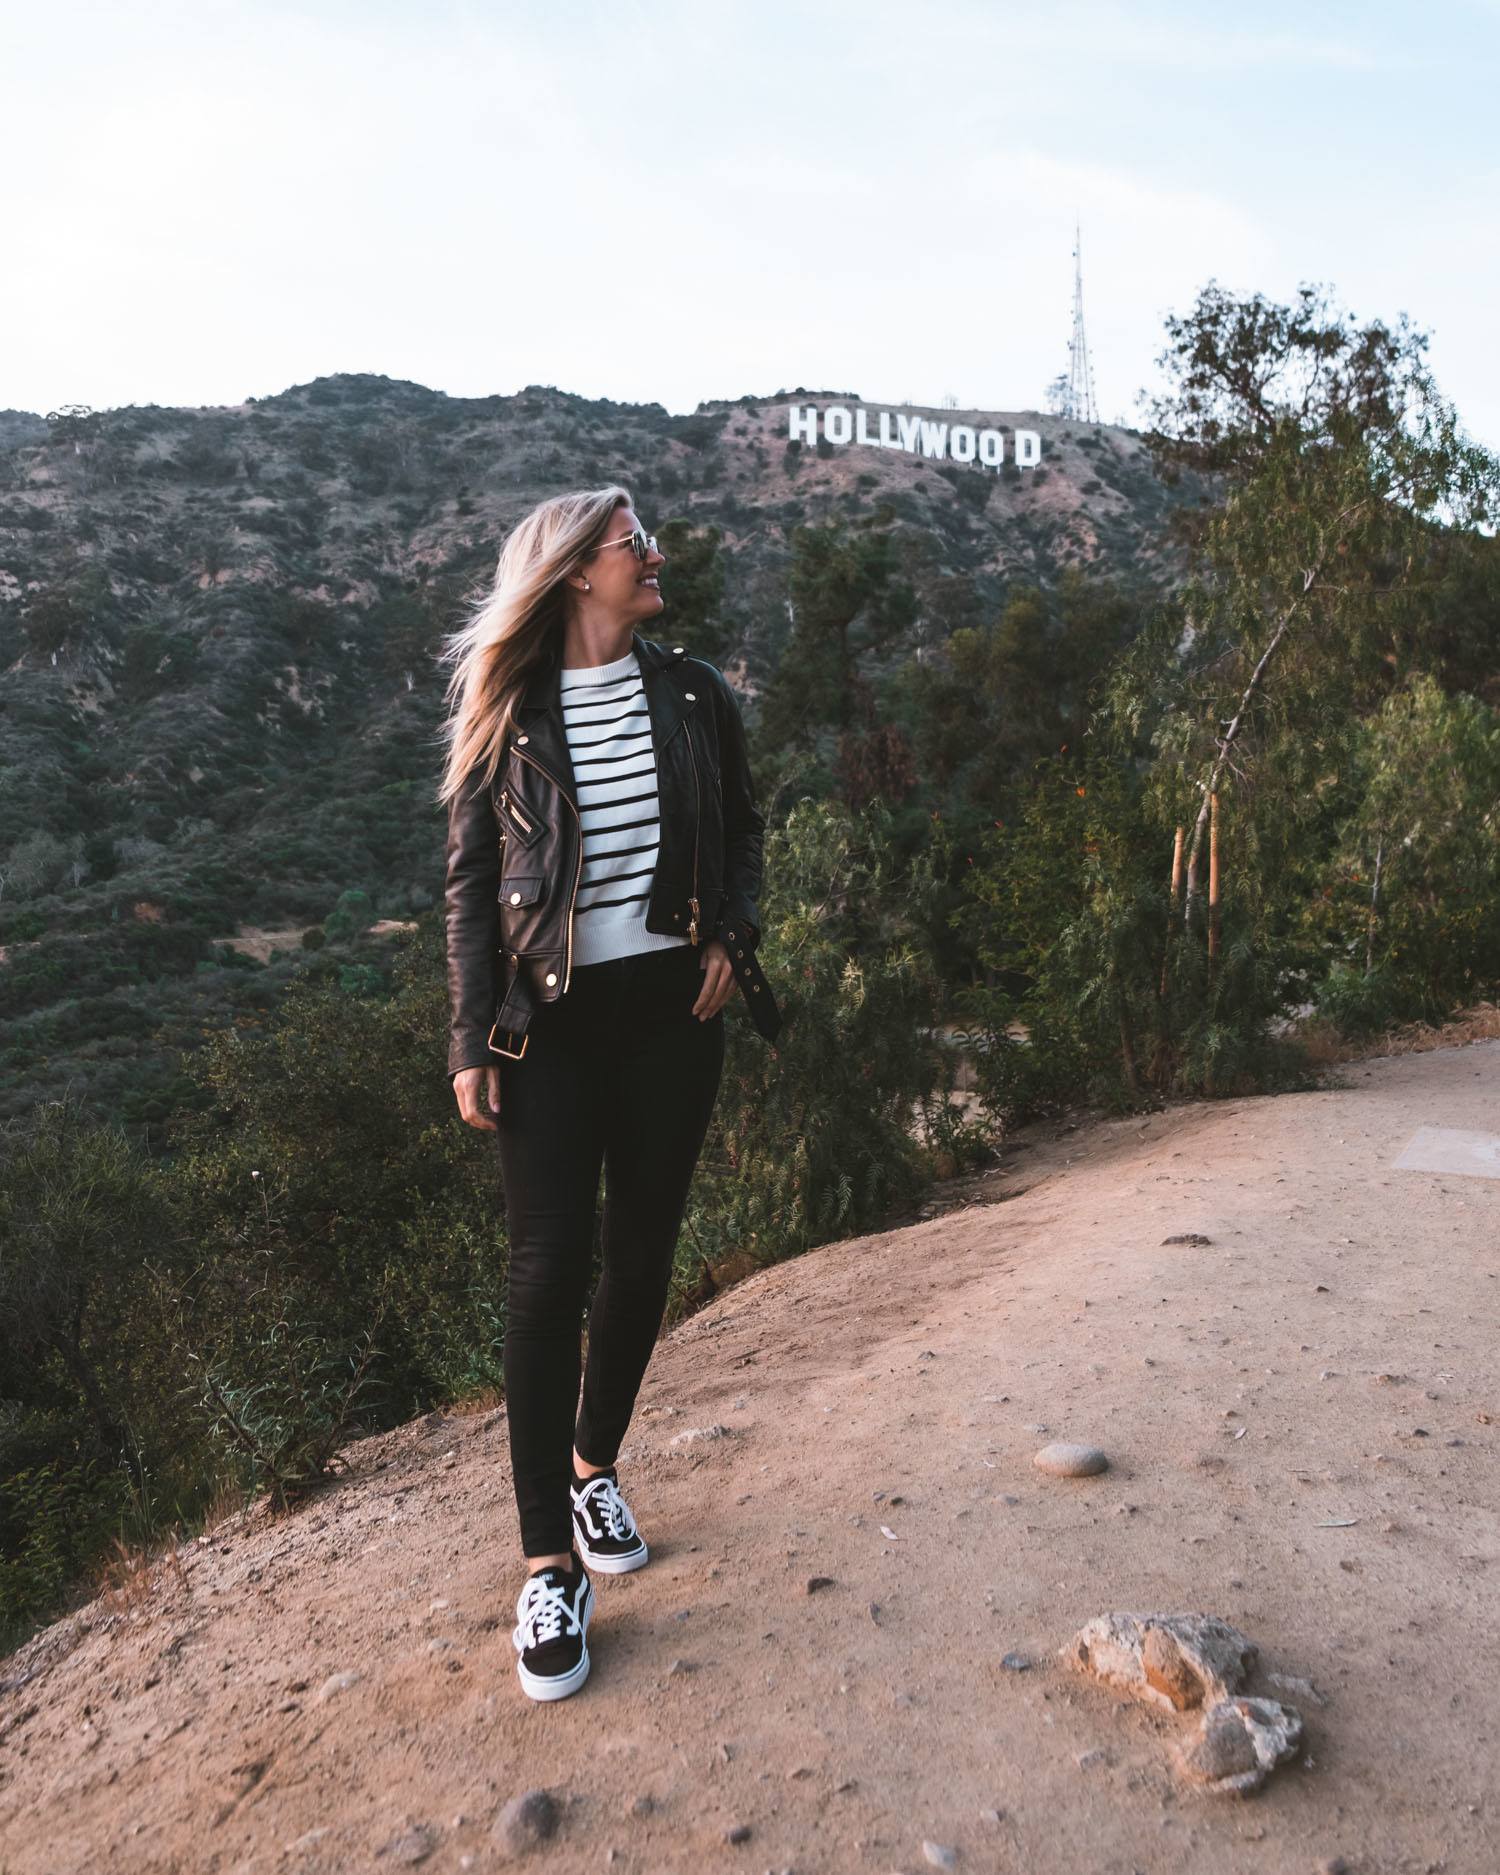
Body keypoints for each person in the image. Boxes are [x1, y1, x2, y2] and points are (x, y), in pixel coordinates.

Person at [436, 486, 780, 1702]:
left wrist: (733, 932)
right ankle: (547, 1567)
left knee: (641, 1256)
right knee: (546, 1270)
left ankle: (594, 1469)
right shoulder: (508, 708)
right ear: (579, 570)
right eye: (637, 543)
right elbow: (473, 885)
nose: (656, 555)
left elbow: (742, 828)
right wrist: (469, 1038)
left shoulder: (693, 693)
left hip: (670, 1019)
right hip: (549, 1025)